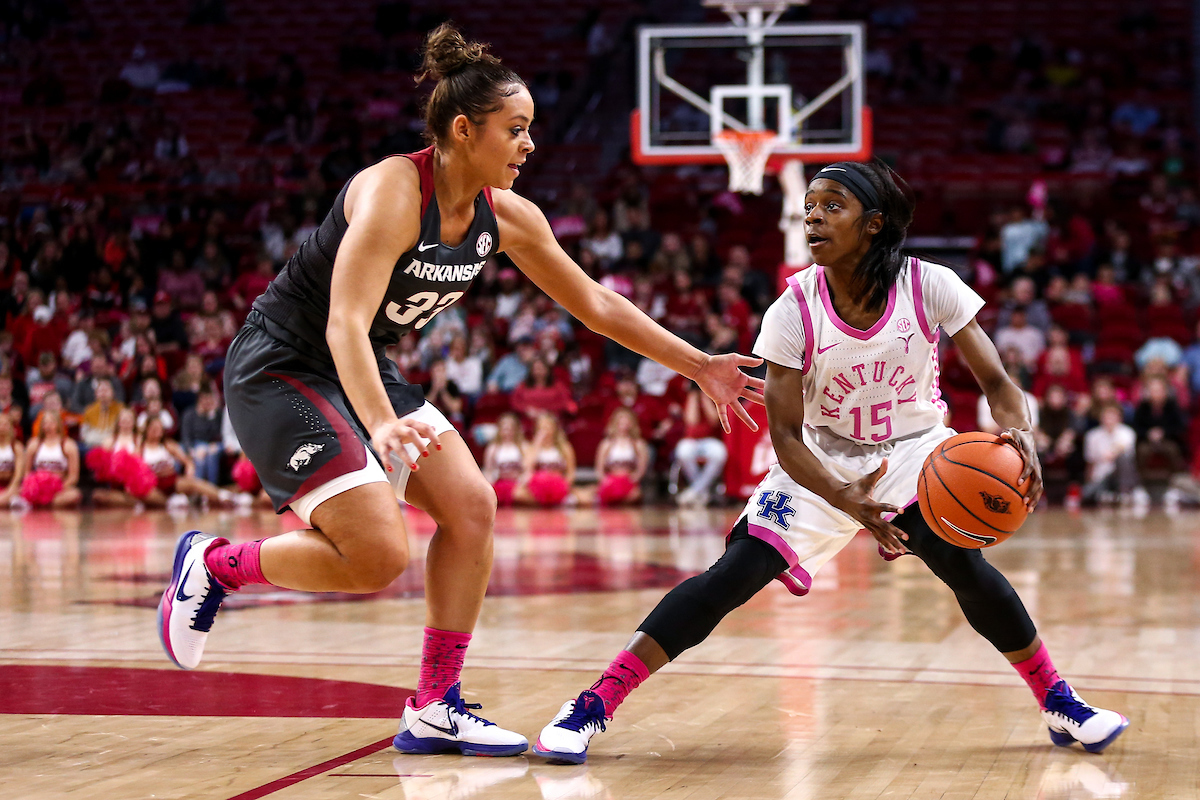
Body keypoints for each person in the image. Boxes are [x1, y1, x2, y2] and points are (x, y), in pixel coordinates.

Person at [157, 23, 762, 760]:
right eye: (516, 129)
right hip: (281, 365)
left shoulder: (505, 218)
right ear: (463, 129)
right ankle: (215, 564)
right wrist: (380, 424)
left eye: (531, 130)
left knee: (473, 507)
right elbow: (344, 321)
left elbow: (597, 305)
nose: (529, 145)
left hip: (361, 366)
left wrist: (697, 363)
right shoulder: (389, 192)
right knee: (377, 555)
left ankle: (435, 705)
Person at [533, 160, 1128, 764]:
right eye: (809, 206)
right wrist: (849, 502)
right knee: (732, 577)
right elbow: (786, 438)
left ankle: (1058, 700)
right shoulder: (793, 310)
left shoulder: (930, 285)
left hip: (914, 451)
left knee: (961, 565)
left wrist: (1019, 429)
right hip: (819, 460)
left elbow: (998, 380)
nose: (813, 216)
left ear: (872, 224)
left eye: (832, 206)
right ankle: (594, 702)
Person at [578, 406, 648, 506]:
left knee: (633, 497)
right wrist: (606, 481)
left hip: (629, 481)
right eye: (621, 421)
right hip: (611, 481)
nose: (624, 425)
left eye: (627, 421)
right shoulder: (606, 444)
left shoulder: (638, 444)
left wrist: (633, 479)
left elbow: (641, 468)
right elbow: (599, 468)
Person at [481, 412, 527, 506]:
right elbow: (488, 470)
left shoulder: (523, 447)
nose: (507, 432)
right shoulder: (493, 448)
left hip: (517, 485)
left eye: (511, 429)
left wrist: (521, 483)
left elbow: (526, 470)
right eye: (505, 429)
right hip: (499, 484)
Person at [0, 413, 27, 508]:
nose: (2, 427)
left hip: (11, 484)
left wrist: (11, 488)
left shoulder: (16, 447)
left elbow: (19, 474)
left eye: (5, 424)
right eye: (0, 424)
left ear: (11, 427)